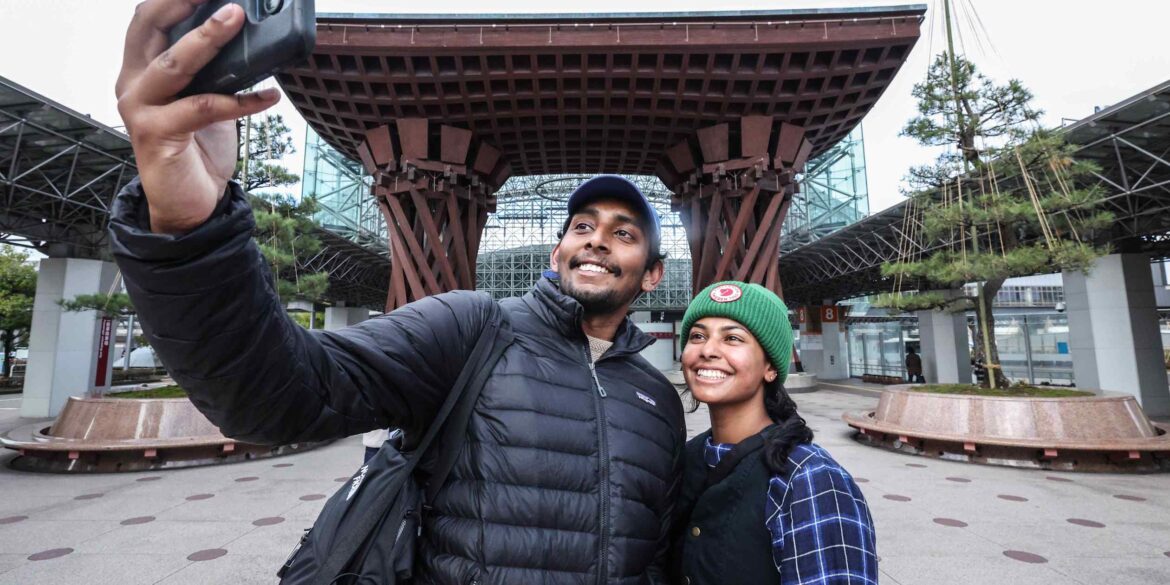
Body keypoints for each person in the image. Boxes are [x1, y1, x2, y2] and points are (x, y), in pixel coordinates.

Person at [110, 2, 685, 583]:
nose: (597, 242)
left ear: (653, 274)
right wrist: (192, 228)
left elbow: (658, 555)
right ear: (558, 249)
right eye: (582, 227)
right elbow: (280, 393)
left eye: (624, 233)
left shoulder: (658, 404)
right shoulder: (471, 331)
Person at [672, 282, 876, 585]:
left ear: (770, 367)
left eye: (732, 338)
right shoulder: (687, 457)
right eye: (698, 336)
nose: (708, 350)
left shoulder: (810, 478)